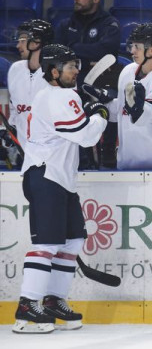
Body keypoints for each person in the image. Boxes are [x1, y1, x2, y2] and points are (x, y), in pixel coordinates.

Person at [13, 44, 109, 333]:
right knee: (47, 244)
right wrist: (100, 113)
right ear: (54, 71)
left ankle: (54, 300)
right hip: (46, 176)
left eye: (76, 65)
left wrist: (92, 109)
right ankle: (28, 305)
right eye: (70, 66)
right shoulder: (59, 96)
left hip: (60, 178)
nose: (76, 70)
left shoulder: (60, 94)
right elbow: (84, 136)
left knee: (72, 241)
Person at [81, 23, 152, 170]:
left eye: (137, 47)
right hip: (129, 159)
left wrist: (136, 108)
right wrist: (103, 104)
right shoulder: (128, 71)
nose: (132, 51)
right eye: (132, 45)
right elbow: (121, 113)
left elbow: (147, 117)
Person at [54, 0, 121, 169]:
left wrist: (73, 49)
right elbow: (57, 52)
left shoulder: (110, 23)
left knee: (111, 105)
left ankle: (107, 152)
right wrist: (88, 55)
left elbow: (107, 51)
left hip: (103, 82)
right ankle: (83, 159)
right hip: (71, 83)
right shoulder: (65, 24)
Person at [4, 19, 55, 167]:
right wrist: (10, 132)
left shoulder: (58, 74)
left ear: (37, 42)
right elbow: (15, 109)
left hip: (52, 160)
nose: (18, 45)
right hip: (24, 157)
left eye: (22, 40)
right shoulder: (15, 69)